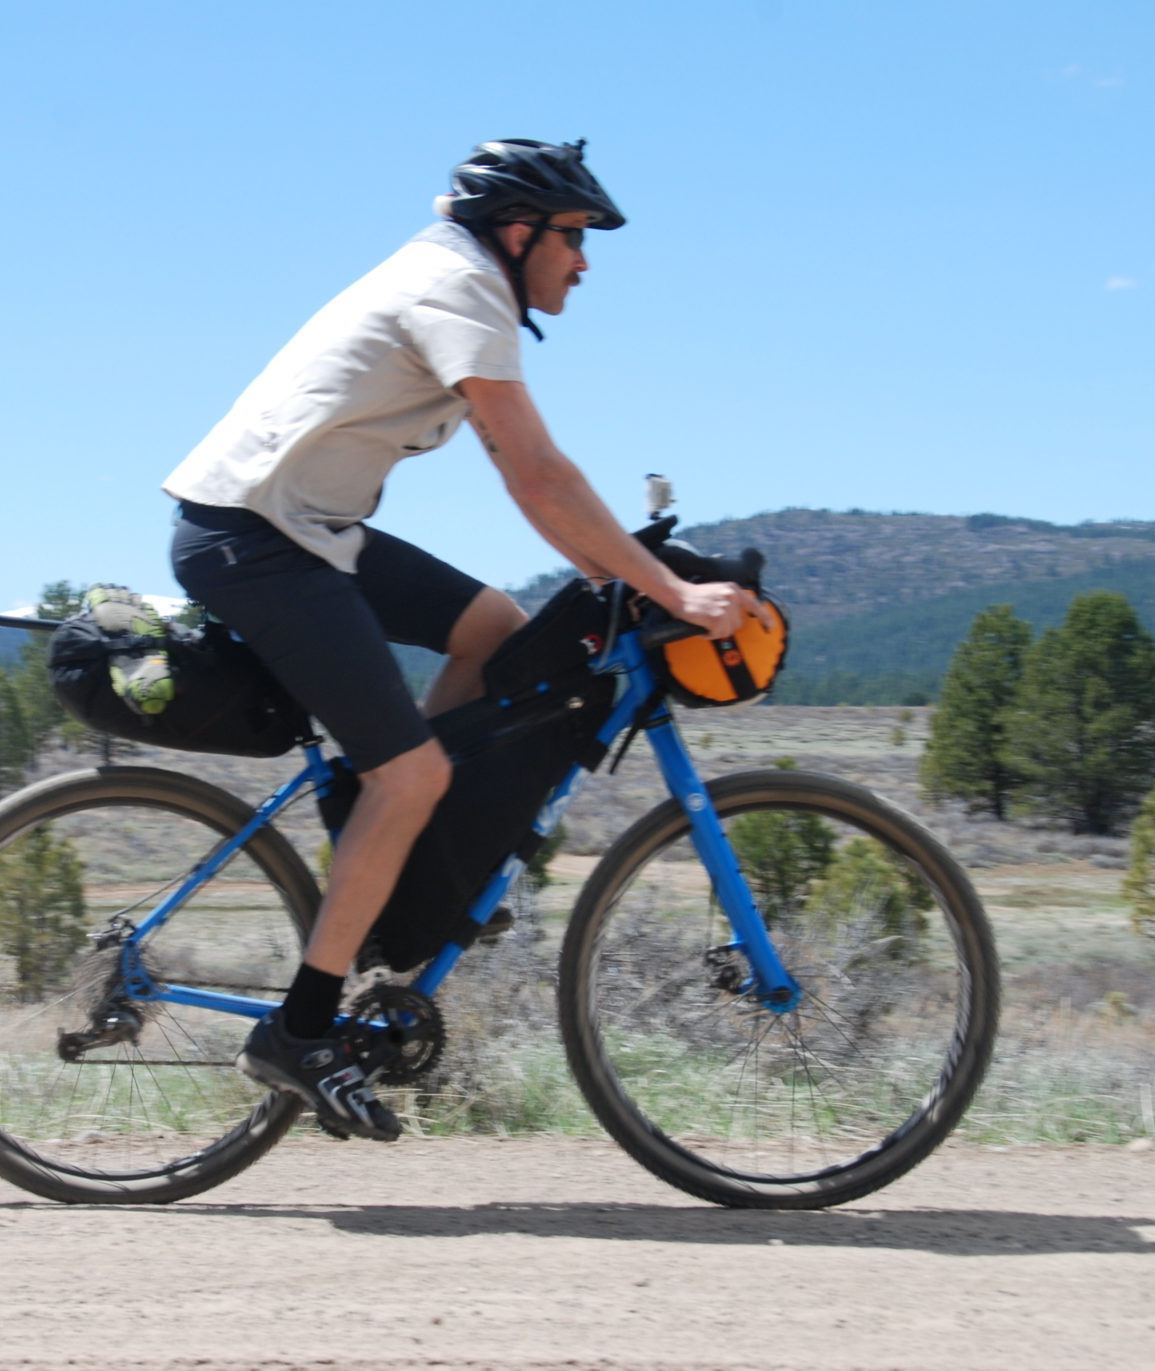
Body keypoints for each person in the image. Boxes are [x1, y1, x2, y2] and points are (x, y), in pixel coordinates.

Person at [163, 139, 766, 1141]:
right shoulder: (458, 288)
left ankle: (389, 839)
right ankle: (301, 1028)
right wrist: (663, 587)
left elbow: (545, 488)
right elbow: (533, 474)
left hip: (304, 528)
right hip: (255, 540)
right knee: (411, 777)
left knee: (495, 632)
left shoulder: (455, 280)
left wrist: (605, 561)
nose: (582, 261)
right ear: (515, 232)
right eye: (572, 238)